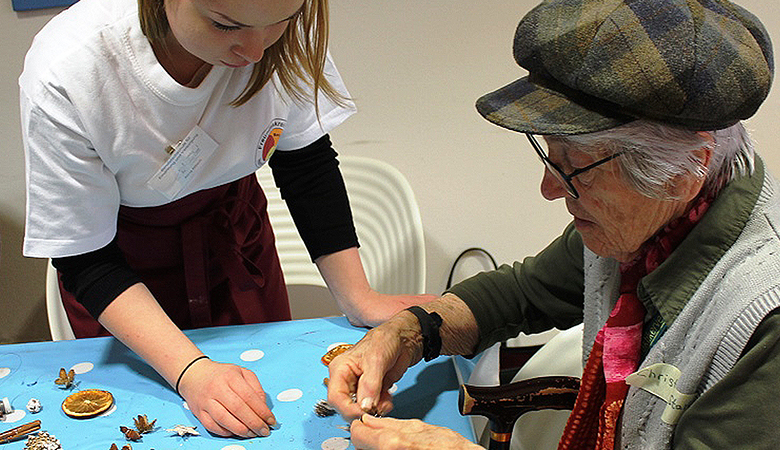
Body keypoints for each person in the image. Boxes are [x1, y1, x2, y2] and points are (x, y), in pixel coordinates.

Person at [327, 0, 780, 448]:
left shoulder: (765, 321)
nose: (548, 189)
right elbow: (520, 294)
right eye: (550, 156)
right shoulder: (645, 227)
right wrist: (405, 333)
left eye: (575, 167)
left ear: (683, 172)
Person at [19, 0, 432, 439]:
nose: (254, 51)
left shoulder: (278, 23)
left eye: (280, 22)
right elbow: (86, 258)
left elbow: (305, 163)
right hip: (121, 269)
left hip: (233, 238)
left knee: (268, 413)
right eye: (223, 24)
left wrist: (358, 296)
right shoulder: (69, 71)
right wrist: (191, 371)